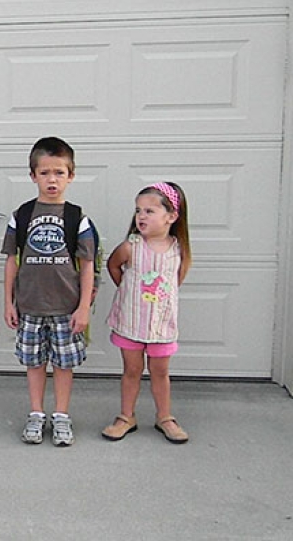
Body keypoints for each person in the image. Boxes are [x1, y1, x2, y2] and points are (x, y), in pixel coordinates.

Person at [1, 137, 95, 446]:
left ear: (71, 175)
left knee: (64, 365)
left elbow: (87, 267)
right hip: (29, 306)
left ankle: (62, 415)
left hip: (65, 309)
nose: (52, 179)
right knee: (34, 362)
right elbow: (11, 261)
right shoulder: (22, 215)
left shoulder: (77, 219)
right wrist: (9, 303)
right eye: (44, 173)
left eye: (59, 172)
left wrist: (83, 307)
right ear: (33, 176)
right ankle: (37, 413)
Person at [101, 182, 192, 444]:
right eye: (138, 210)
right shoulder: (131, 247)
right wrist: (129, 293)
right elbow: (114, 266)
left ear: (171, 216)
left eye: (150, 211)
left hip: (162, 326)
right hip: (131, 323)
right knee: (131, 370)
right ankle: (126, 416)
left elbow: (176, 281)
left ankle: (164, 416)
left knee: (160, 372)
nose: (141, 216)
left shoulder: (178, 250)